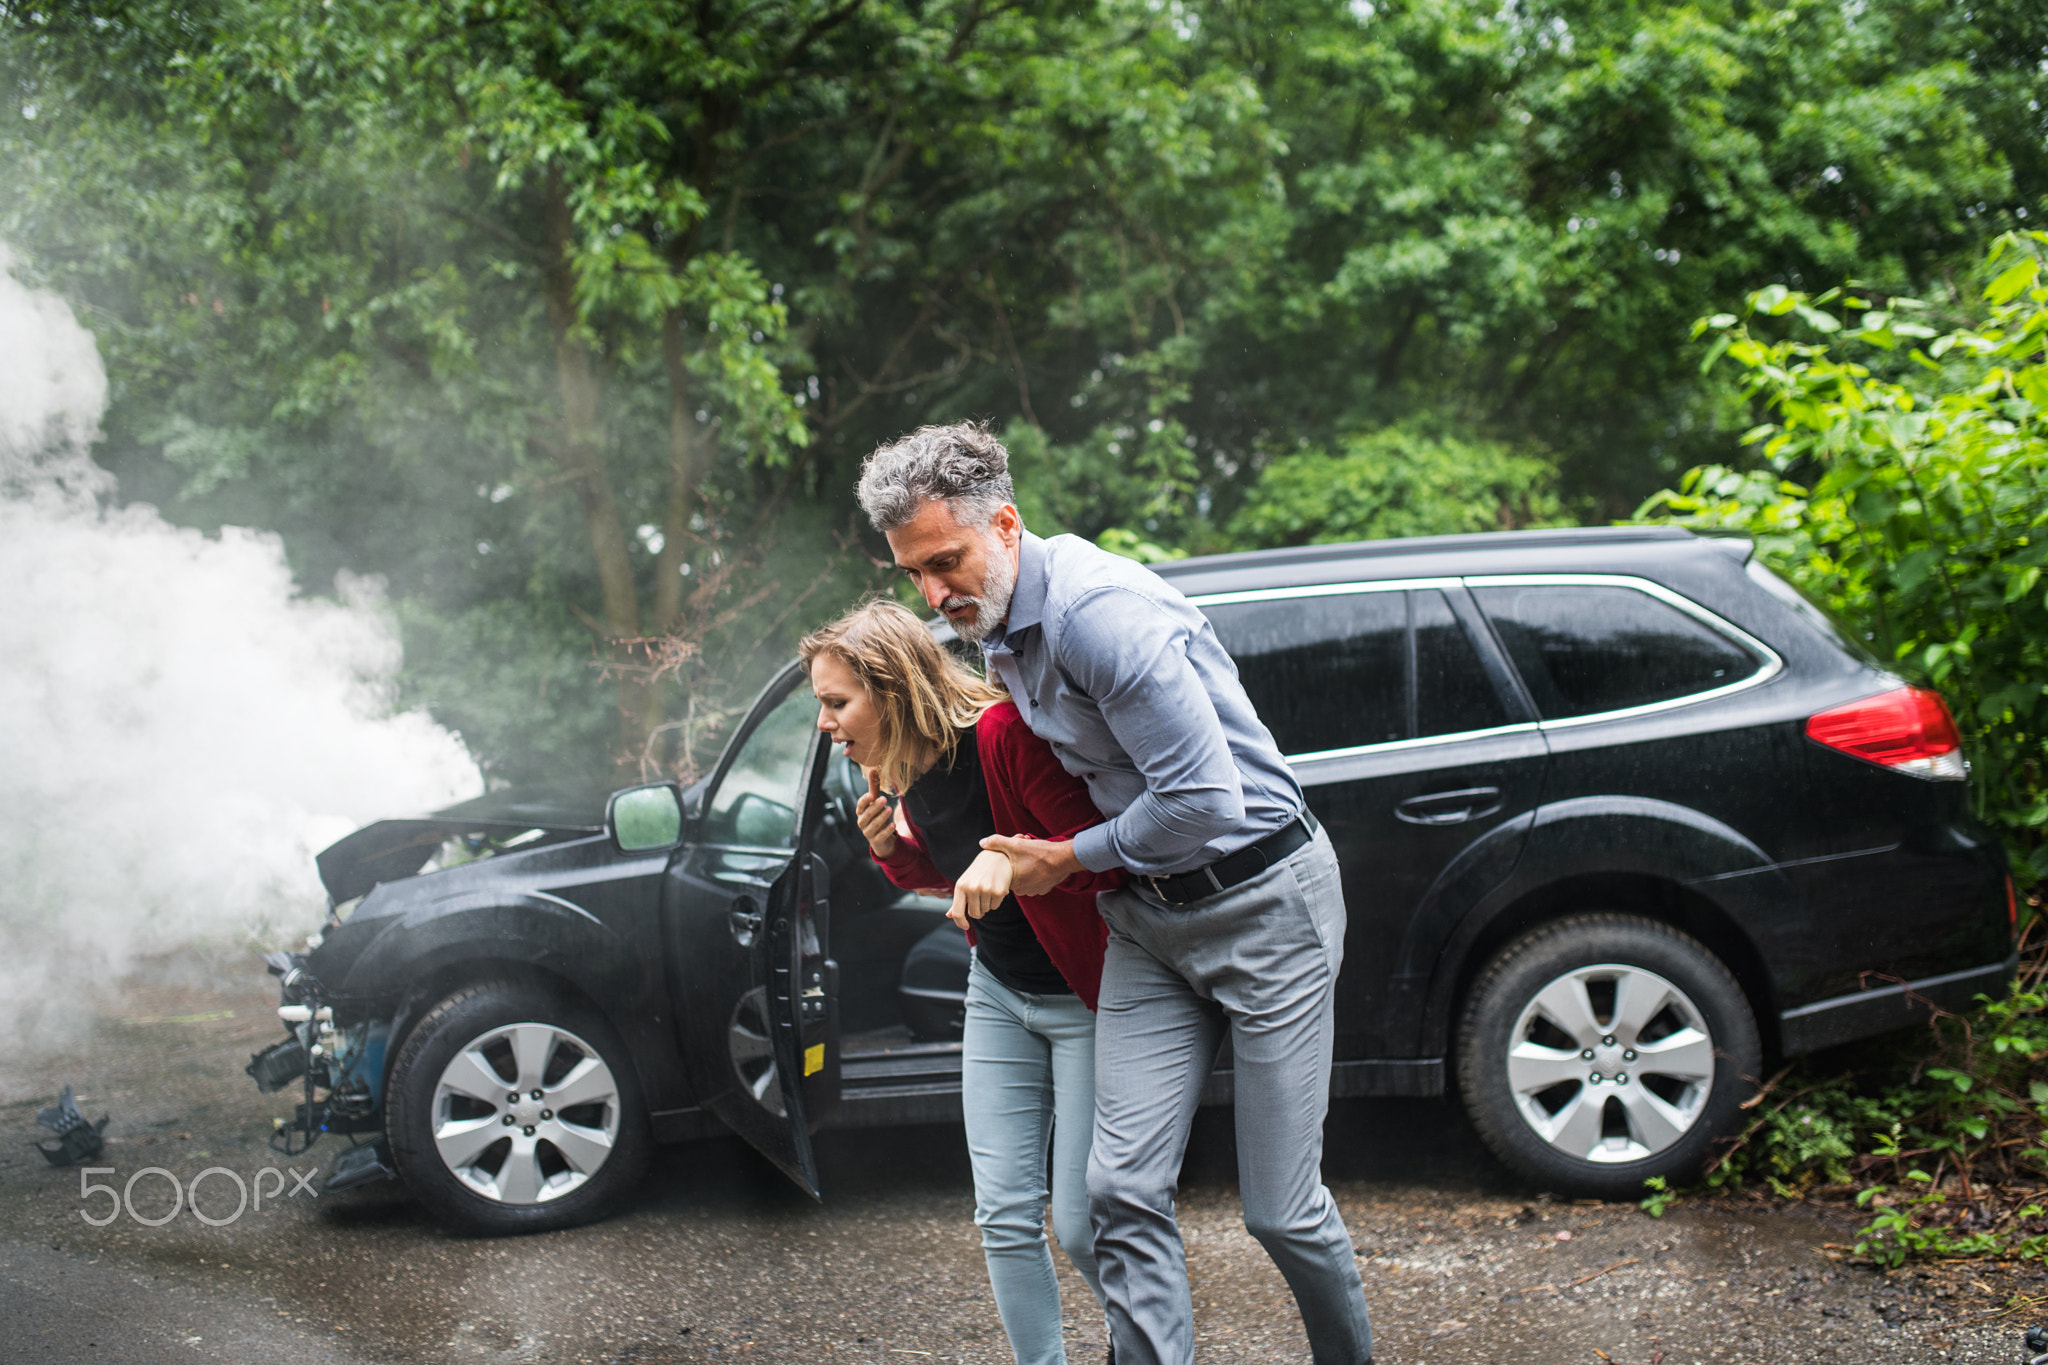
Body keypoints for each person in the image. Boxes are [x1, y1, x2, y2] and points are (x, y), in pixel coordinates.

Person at [855, 424, 1375, 1365]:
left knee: (1281, 1209)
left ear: (1005, 525)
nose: (933, 593)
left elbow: (1206, 800)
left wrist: (1060, 858)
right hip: (1146, 919)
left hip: (1264, 901)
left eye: (946, 562)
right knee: (1117, 1192)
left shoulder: (1100, 614)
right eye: (913, 574)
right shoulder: (1001, 630)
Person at [800, 599, 1121, 1365]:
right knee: (1004, 1214)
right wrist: (894, 854)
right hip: (999, 990)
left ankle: (1148, 1339)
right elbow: (955, 877)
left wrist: (1013, 858)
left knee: (1080, 1222)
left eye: (836, 702)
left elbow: (1097, 859)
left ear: (893, 689)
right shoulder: (892, 768)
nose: (825, 723)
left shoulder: (1002, 736)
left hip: (1081, 998)